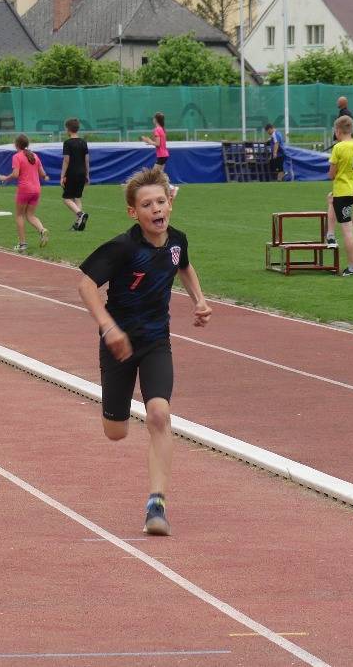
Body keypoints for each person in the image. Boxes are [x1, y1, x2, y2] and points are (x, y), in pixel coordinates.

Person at [77, 165, 212, 536]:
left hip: (155, 342)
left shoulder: (177, 241)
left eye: (161, 202)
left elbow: (184, 266)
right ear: (133, 212)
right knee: (115, 432)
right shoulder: (123, 247)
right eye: (147, 204)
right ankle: (119, 410)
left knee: (159, 414)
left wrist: (199, 301)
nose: (156, 209)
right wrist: (109, 328)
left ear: (170, 204)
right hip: (118, 345)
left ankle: (157, 504)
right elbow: (86, 285)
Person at [0, 134, 49, 252]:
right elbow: (42, 173)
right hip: (36, 189)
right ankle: (42, 230)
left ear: (16, 145)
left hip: (25, 189)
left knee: (19, 215)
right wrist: (44, 177)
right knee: (30, 215)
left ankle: (22, 244)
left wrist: (5, 178)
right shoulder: (34, 156)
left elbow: (16, 174)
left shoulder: (17, 157)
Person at [325, 115, 353, 276]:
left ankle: (352, 266)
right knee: (331, 199)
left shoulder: (338, 148)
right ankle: (330, 234)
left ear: (338, 131)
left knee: (347, 231)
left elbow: (332, 174)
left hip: (343, 191)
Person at [61, 117, 90, 231]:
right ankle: (78, 224)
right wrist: (87, 174)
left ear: (68, 129)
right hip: (82, 172)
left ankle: (80, 214)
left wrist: (62, 176)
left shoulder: (67, 143)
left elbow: (66, 160)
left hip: (72, 173)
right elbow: (86, 160)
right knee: (77, 197)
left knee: (67, 198)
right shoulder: (83, 142)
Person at [141, 112, 175, 196]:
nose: (152, 119)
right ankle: (170, 188)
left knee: (154, 174)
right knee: (160, 174)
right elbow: (159, 143)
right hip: (164, 155)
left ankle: (170, 188)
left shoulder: (157, 129)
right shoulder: (162, 129)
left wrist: (149, 141)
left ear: (156, 120)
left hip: (162, 155)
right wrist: (150, 142)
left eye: (153, 118)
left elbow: (158, 144)